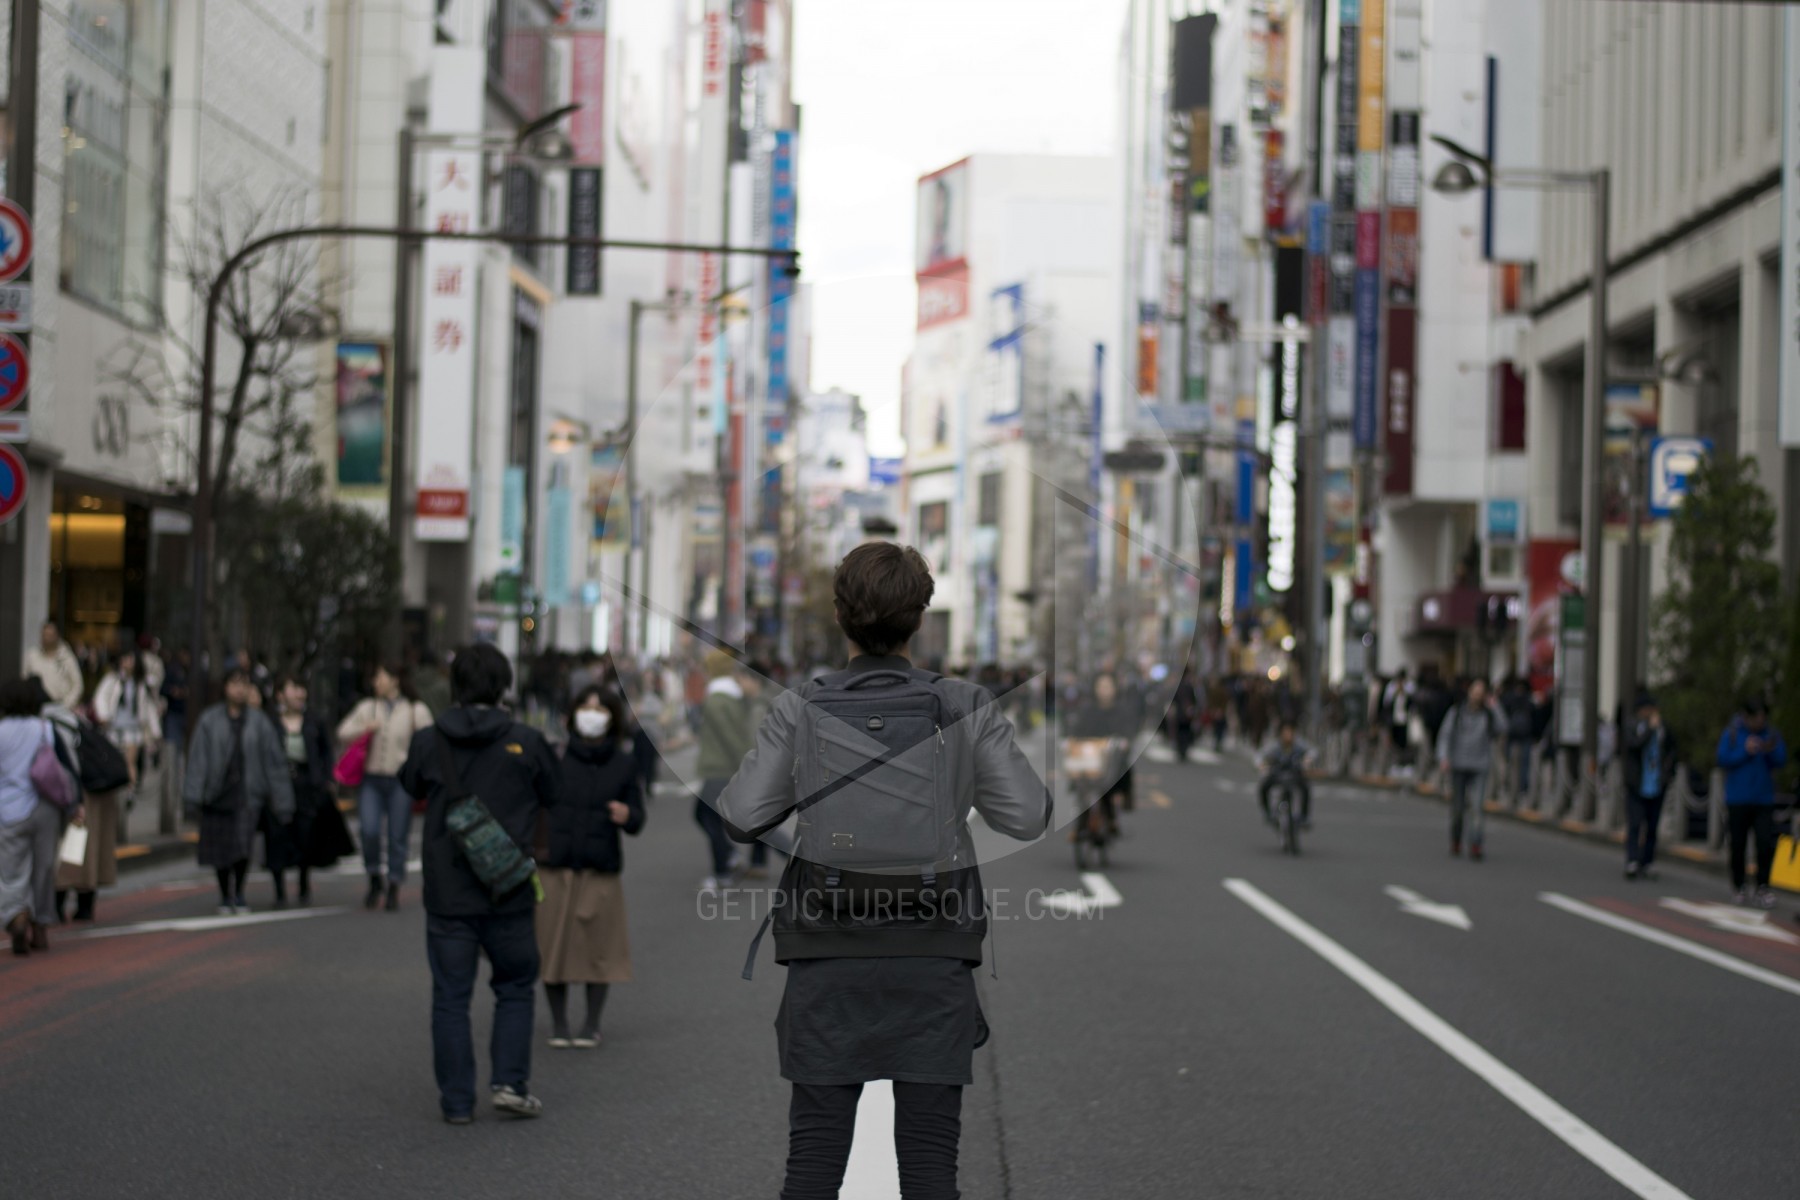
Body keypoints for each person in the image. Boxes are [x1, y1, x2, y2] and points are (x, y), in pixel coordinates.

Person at [718, 542, 1051, 1200]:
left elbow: (740, 816)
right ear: (919, 618)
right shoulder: (963, 703)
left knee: (813, 1159)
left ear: (840, 615)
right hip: (934, 951)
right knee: (930, 1166)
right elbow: (1026, 815)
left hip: (824, 950)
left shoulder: (801, 705)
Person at [396, 643, 560, 1124]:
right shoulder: (527, 741)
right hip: (508, 887)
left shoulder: (429, 741)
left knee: (450, 996)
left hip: (448, 892)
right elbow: (555, 792)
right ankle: (509, 1083)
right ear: (504, 687)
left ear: (455, 687)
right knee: (515, 985)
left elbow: (410, 785)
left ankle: (456, 1102)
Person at [537, 687, 644, 1050]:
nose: (591, 714)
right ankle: (559, 1023)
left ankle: (591, 1023)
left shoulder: (624, 763)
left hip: (600, 869)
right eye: (585, 706)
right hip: (555, 866)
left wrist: (628, 815)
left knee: (599, 949)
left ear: (613, 718)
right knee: (552, 945)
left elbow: (637, 817)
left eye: (600, 709)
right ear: (572, 714)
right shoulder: (554, 756)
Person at [183, 668, 293, 914]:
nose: (239, 689)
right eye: (234, 684)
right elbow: (198, 760)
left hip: (248, 793)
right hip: (218, 793)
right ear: (225, 687)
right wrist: (193, 795)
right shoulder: (210, 720)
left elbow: (274, 763)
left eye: (244, 684)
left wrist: (282, 801)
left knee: (243, 845)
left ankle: (240, 892)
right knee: (220, 848)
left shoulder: (259, 722)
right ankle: (225, 894)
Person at [337, 663, 434, 911]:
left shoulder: (415, 709)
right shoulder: (368, 707)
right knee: (368, 830)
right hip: (371, 779)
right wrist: (365, 728)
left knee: (397, 834)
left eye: (380, 677)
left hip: (401, 780)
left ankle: (394, 884)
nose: (376, 682)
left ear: (394, 680)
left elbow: (430, 742)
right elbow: (342, 732)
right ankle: (374, 876)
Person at [0, 679, 77, 955]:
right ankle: (41, 925)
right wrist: (75, 803)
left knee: (10, 871)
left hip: (8, 810)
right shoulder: (44, 728)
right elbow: (66, 766)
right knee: (43, 869)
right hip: (45, 807)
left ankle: (17, 915)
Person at [267, 675, 350, 908]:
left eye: (302, 688)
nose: (300, 693)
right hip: (279, 784)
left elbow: (325, 752)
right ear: (280, 694)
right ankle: (279, 890)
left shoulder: (314, 720)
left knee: (305, 834)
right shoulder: (270, 722)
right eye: (294, 688)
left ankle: (303, 882)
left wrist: (327, 780)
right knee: (277, 835)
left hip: (307, 784)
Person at [693, 649, 755, 893]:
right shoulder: (731, 696)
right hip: (723, 767)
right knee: (704, 815)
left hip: (719, 768)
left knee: (708, 818)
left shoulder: (716, 700)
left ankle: (723, 872)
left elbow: (730, 738)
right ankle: (729, 857)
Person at [1717, 700, 1789, 909]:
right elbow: (1722, 758)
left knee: (1764, 843)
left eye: (1762, 718)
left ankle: (1763, 886)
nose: (1759, 722)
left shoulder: (1771, 734)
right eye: (1755, 718)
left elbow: (1781, 759)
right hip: (1737, 799)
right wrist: (1745, 750)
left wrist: (1768, 750)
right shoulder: (1732, 733)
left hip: (1764, 799)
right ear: (1746, 717)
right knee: (1737, 844)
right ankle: (1739, 885)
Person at [1436, 678, 1501, 859]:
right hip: (1458, 764)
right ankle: (1456, 839)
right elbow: (1445, 735)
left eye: (1481, 693)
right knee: (1457, 809)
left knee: (1477, 807)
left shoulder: (1488, 714)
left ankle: (1476, 843)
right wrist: (1443, 757)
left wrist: (1495, 706)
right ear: (1469, 692)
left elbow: (1503, 727)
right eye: (1475, 691)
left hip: (1480, 765)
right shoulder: (1457, 712)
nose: (1477, 696)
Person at [93, 648, 162, 804]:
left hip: (133, 728)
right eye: (125, 659)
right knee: (113, 759)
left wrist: (155, 731)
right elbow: (101, 698)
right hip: (114, 726)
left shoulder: (141, 683)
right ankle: (115, 788)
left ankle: (130, 790)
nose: (127, 663)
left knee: (130, 761)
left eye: (130, 660)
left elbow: (149, 708)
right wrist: (103, 715)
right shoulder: (113, 680)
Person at [1620, 693, 1677, 882]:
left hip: (1657, 783)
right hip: (1637, 783)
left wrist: (1669, 772)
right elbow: (1634, 746)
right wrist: (1650, 730)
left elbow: (1672, 749)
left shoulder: (1663, 728)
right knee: (1635, 824)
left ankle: (1648, 861)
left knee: (1652, 826)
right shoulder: (1632, 726)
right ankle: (1632, 860)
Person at [1071, 672, 1135, 838]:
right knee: (1082, 784)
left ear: (1114, 689)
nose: (1104, 690)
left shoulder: (1121, 710)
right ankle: (1081, 824)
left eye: (1107, 686)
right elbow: (1078, 730)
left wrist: (1124, 742)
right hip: (1091, 755)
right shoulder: (1088, 710)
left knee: (1113, 781)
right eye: (1101, 686)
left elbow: (1128, 732)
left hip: (1112, 757)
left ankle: (1112, 818)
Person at [1258, 721, 1314, 827]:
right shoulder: (1274, 747)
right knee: (1264, 787)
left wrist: (1308, 760)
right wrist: (1263, 766)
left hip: (1294, 774)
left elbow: (1312, 751)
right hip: (1277, 774)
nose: (1288, 735)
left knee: (1305, 788)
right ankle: (1268, 813)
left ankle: (1304, 816)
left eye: (1291, 732)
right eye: (1286, 732)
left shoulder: (1299, 745)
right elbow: (1260, 756)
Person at [24, 622, 84, 712]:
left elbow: (78, 685)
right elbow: (25, 680)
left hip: (60, 707)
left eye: (50, 635)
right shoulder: (32, 656)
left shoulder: (66, 658)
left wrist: (67, 705)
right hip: (36, 708)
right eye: (44, 635)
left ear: (57, 636)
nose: (46, 638)